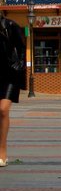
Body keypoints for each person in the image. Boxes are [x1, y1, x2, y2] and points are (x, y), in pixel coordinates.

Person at [0, 14, 26, 168]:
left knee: (3, 110)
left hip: (9, 74)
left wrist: (21, 63)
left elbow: (22, 47)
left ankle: (2, 151)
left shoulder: (9, 25)